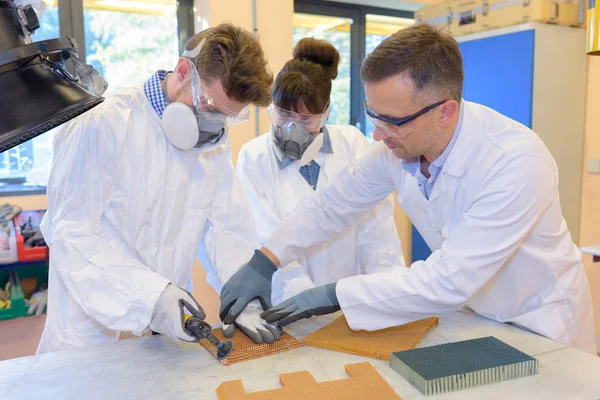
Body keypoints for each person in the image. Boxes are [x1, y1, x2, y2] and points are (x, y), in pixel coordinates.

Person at [219, 24, 597, 355]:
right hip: (477, 317)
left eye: (391, 120)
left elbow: (448, 280)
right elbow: (332, 206)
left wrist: (335, 294)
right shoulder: (395, 149)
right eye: (372, 114)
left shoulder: (516, 163)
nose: (376, 134)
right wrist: (266, 259)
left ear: (445, 112)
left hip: (541, 326)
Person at [37, 23, 273, 353]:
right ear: (181, 71)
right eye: (209, 108)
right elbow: (72, 231)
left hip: (170, 319)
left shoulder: (212, 145)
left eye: (226, 117)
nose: (212, 126)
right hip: (94, 320)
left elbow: (227, 227)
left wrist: (241, 295)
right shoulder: (102, 121)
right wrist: (150, 295)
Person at [210, 38, 405, 344]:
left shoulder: (352, 143)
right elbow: (267, 233)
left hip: (349, 307)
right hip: (287, 310)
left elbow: (376, 231)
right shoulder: (255, 155)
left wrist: (387, 293)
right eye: (284, 115)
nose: (292, 127)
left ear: (325, 111)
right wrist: (300, 294)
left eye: (304, 119)